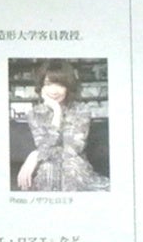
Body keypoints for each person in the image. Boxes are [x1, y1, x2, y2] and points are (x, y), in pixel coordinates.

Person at [14, 61, 108, 192]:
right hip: (47, 168)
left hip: (74, 168)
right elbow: (44, 147)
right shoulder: (35, 114)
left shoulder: (81, 110)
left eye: (60, 84)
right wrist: (56, 114)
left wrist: (35, 155)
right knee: (48, 167)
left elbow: (72, 149)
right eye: (48, 84)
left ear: (68, 87)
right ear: (42, 87)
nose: (54, 90)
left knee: (66, 166)